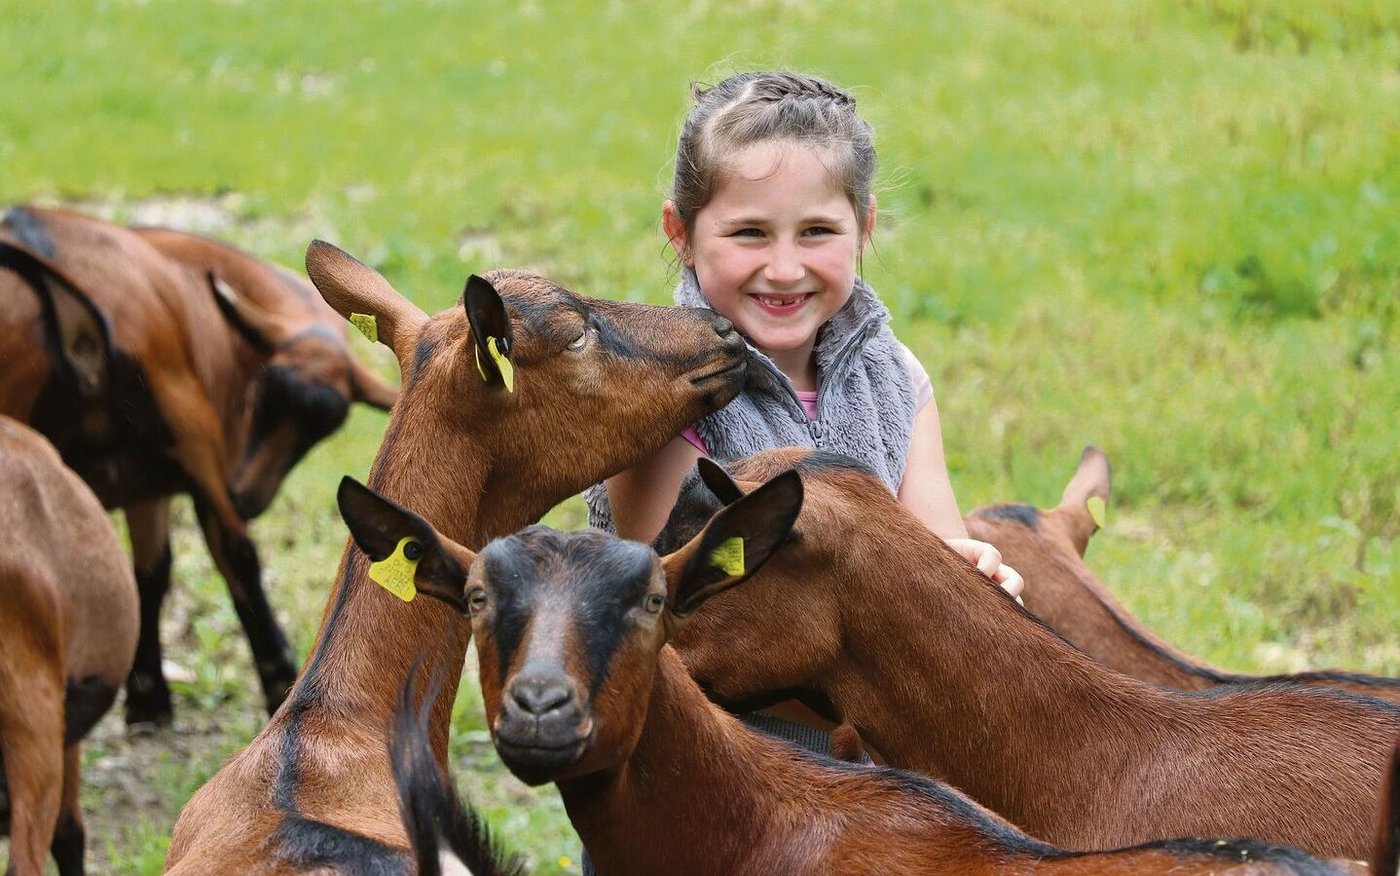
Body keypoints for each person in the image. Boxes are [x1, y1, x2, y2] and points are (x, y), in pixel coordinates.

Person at [587, 69, 1022, 598]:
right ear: (681, 233)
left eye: (816, 231)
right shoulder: (658, 398)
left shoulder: (896, 379)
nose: (786, 269)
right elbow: (688, 610)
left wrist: (972, 580)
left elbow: (935, 553)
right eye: (750, 233)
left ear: (864, 227)